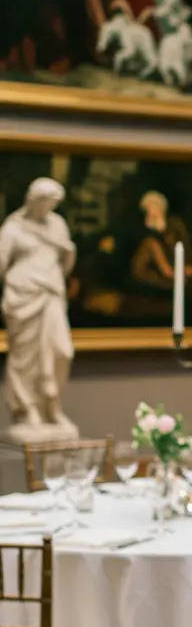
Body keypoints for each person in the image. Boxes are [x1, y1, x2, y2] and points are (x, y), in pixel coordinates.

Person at [0, 177, 77, 434]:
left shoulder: (57, 225)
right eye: (47, 202)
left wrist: (65, 259)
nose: (50, 208)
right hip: (23, 296)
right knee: (25, 357)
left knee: (61, 351)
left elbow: (65, 261)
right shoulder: (13, 229)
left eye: (54, 204)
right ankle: (28, 409)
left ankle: (51, 405)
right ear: (33, 201)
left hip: (51, 292)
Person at [130, 191, 192, 291]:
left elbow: (185, 245)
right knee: (151, 243)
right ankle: (171, 273)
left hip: (175, 264)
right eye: (147, 208)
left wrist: (189, 266)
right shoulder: (144, 229)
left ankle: (173, 274)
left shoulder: (174, 224)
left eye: (153, 206)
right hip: (151, 271)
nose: (150, 210)